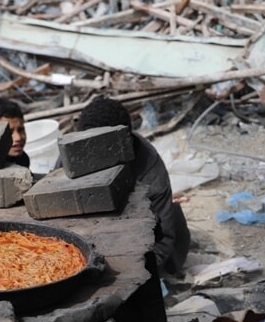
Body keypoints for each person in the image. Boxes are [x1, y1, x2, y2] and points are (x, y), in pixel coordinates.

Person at [77, 96, 191, 277]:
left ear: (125, 143)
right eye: (90, 149)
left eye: (103, 149)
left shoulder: (150, 171)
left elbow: (163, 242)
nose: (95, 158)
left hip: (136, 246)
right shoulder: (75, 155)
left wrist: (131, 274)